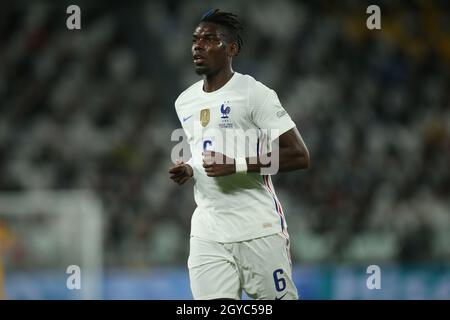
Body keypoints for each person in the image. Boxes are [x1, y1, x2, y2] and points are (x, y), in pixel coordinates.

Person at [169, 9, 309, 300]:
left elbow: (298, 155)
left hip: (258, 229)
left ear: (232, 48)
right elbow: (202, 151)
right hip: (208, 232)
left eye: (209, 39)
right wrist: (191, 169)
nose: (197, 45)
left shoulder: (254, 93)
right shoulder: (184, 101)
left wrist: (238, 165)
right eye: (195, 39)